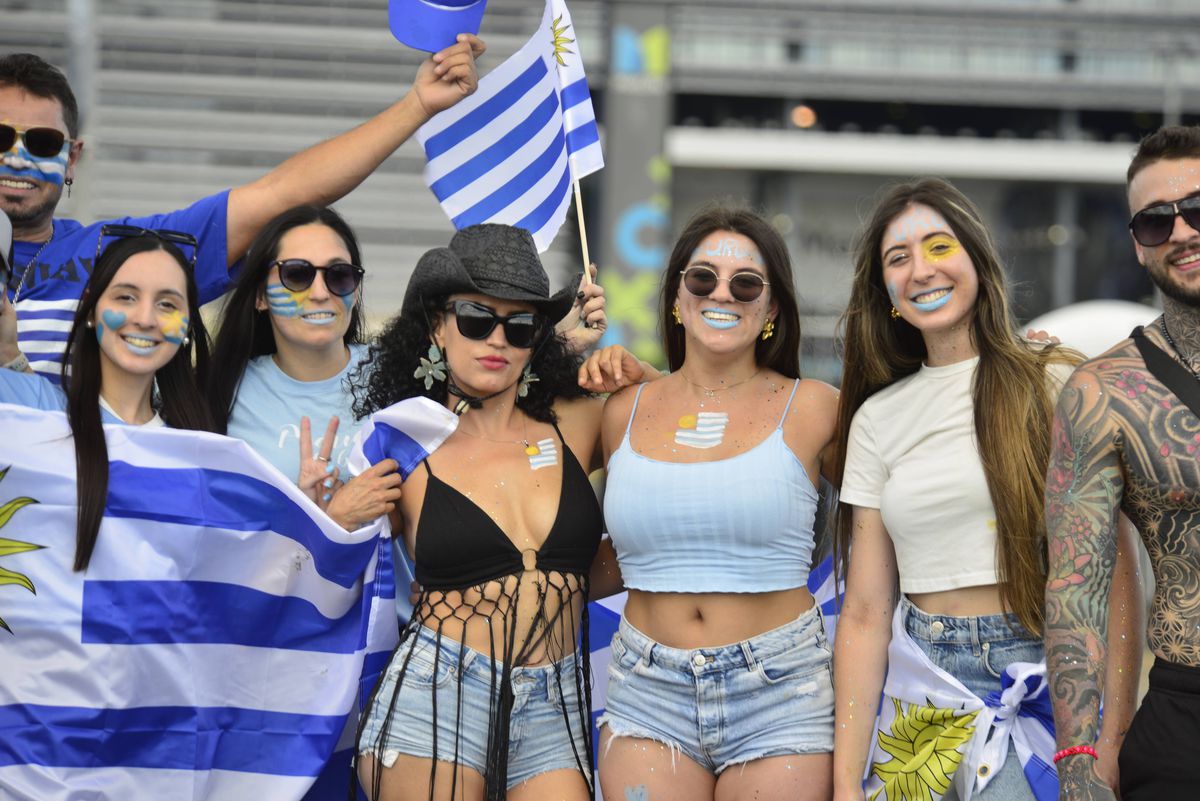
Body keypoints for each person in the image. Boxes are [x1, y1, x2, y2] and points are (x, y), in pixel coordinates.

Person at [832, 178, 1138, 801]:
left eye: (939, 246)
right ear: (886, 293)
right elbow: (864, 613)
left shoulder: (1056, 383)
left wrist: (1111, 743)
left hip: (1037, 676)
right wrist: (844, 782)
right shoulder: (875, 418)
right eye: (898, 258)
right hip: (919, 690)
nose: (921, 269)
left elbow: (1117, 576)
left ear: (977, 260)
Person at [0, 42, 483, 381]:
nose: (17, 158)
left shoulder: (120, 254)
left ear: (73, 157)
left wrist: (417, 105)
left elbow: (281, 194)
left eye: (42, 142)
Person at [352, 224, 622, 801]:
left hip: (555, 703)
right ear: (437, 325)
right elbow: (324, 568)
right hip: (436, 696)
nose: (497, 340)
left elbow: (674, 447)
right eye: (477, 319)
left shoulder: (579, 421)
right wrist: (331, 507)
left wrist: (637, 373)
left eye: (520, 326)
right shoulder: (400, 443)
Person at [594, 205, 839, 801]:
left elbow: (893, 517)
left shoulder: (816, 407)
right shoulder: (621, 409)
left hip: (780, 688)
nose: (721, 293)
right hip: (646, 688)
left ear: (771, 308)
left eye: (745, 283)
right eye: (702, 278)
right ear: (678, 296)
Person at [1045, 126, 1200, 801]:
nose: (1182, 231)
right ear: (1138, 244)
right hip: (1185, 718)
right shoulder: (1099, 394)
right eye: (1155, 220)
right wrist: (1081, 757)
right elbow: (1076, 587)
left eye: (1198, 207)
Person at [0, 223, 214, 570]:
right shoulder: (35, 407)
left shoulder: (205, 451)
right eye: (125, 297)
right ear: (90, 308)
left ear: (188, 325)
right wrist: (8, 353)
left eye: (167, 304)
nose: (145, 318)